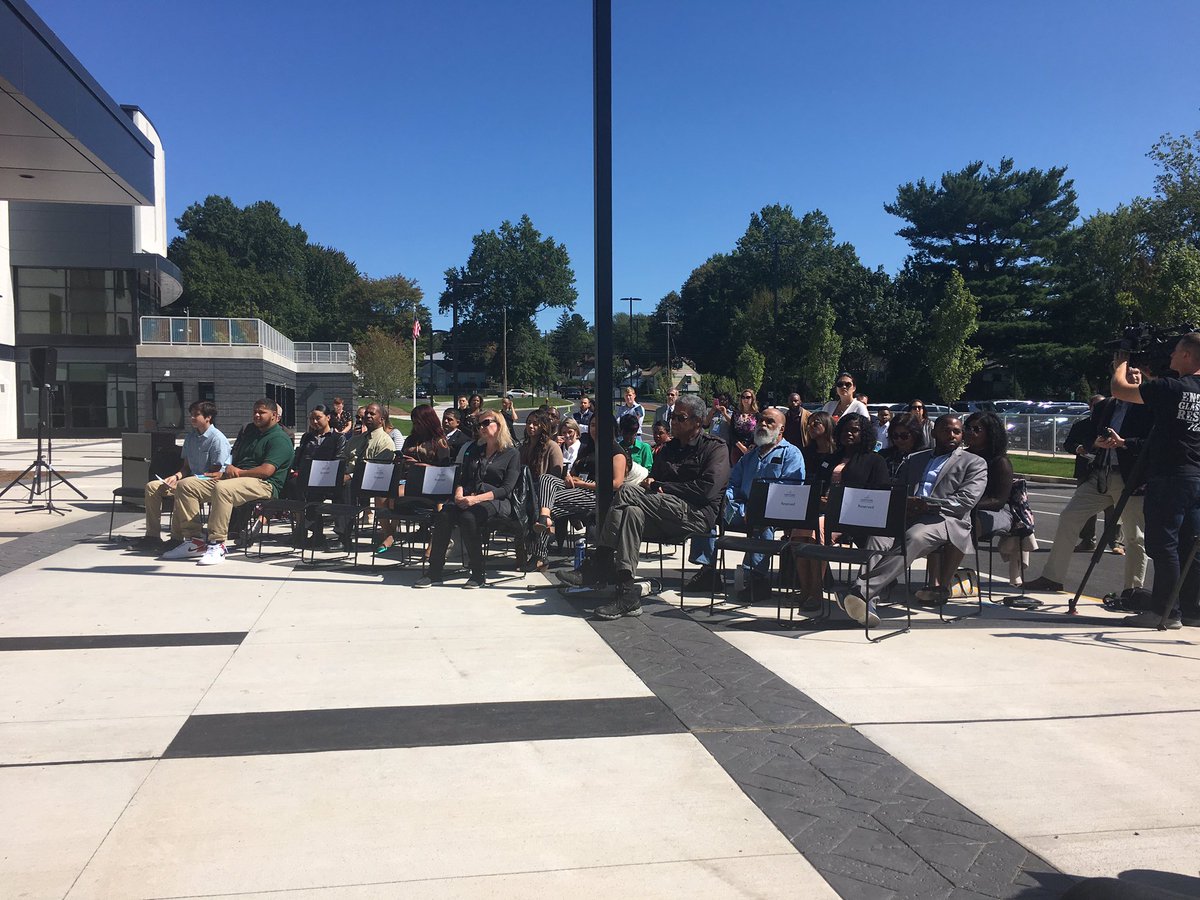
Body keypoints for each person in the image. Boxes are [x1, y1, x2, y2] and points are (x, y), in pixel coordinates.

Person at [592, 393, 731, 620]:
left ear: (698, 422)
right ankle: (627, 593)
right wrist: (657, 485)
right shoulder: (667, 449)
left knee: (627, 490)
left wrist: (664, 486)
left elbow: (707, 490)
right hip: (661, 513)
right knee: (632, 512)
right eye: (673, 417)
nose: (673, 421)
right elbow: (652, 483)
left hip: (695, 515)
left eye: (680, 418)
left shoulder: (715, 448)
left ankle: (600, 561)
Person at [842, 415, 988, 627]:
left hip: (945, 519)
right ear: (934, 433)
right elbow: (898, 489)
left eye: (957, 432)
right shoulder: (915, 459)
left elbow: (965, 501)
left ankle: (861, 590)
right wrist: (907, 503)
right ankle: (867, 603)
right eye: (946, 430)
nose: (952, 435)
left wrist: (927, 505)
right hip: (908, 514)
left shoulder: (974, 462)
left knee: (914, 536)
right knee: (878, 537)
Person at [1109, 337, 1200, 628]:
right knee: (1190, 547)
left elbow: (1119, 390)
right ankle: (1191, 610)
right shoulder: (1173, 388)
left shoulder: (1171, 388)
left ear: (1186, 355)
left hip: (1170, 475)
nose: (1170, 355)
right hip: (1196, 476)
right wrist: (1151, 378)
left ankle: (1164, 611)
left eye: (1175, 351)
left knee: (1163, 545)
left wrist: (1121, 361)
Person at [1025, 389, 1150, 597]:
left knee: (1134, 536)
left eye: (1136, 375)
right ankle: (1052, 578)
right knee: (1069, 517)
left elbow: (1153, 441)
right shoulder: (1105, 406)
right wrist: (1094, 443)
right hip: (1100, 475)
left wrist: (1124, 443)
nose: (1133, 378)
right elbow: (1087, 432)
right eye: (1127, 375)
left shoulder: (1148, 406)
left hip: (1129, 479)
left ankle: (1133, 591)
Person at [689, 406, 804, 602]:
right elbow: (732, 484)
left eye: (770, 422)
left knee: (760, 522)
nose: (763, 424)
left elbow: (790, 489)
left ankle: (757, 580)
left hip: (774, 510)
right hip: (741, 509)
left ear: (781, 429)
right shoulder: (750, 456)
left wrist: (757, 508)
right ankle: (708, 571)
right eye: (761, 421)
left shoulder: (791, 454)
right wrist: (737, 507)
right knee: (707, 513)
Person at [161, 398, 295, 566]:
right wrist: (226, 470)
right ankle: (194, 541)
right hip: (235, 478)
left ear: (274, 415)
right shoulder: (250, 433)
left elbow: (266, 471)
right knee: (186, 485)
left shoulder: (280, 439)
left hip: (264, 484)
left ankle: (217, 544)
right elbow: (234, 457)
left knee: (222, 488)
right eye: (255, 411)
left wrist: (238, 472)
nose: (256, 415)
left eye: (262, 412)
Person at [791, 413, 890, 610]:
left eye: (854, 430)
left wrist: (839, 502)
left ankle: (816, 592)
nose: (849, 434)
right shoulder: (831, 458)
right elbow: (818, 484)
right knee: (799, 531)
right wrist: (819, 498)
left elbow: (878, 495)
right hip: (824, 512)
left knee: (816, 530)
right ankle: (805, 588)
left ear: (864, 433)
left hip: (855, 516)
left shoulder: (875, 460)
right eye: (845, 430)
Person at [416, 409, 521, 589]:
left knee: (468, 517)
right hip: (469, 496)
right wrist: (459, 494)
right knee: (445, 514)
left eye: (486, 423)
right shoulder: (475, 450)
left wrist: (476, 499)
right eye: (479, 424)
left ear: (499, 425)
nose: (481, 427)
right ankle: (434, 571)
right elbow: (463, 478)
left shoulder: (511, 453)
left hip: (497, 501)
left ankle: (478, 573)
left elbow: (506, 489)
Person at [920, 411, 1015, 600]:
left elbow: (999, 500)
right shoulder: (960, 456)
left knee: (965, 524)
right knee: (935, 521)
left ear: (990, 433)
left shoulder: (1000, 462)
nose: (970, 432)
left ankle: (944, 584)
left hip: (994, 513)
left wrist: (967, 504)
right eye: (967, 428)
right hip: (958, 507)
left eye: (976, 429)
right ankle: (933, 582)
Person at [532, 416, 631, 568]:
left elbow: (617, 484)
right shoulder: (586, 449)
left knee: (546, 502)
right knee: (546, 479)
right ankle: (545, 517)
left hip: (595, 493)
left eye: (599, 425)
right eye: (592, 425)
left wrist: (585, 484)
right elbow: (574, 472)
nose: (595, 429)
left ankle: (539, 555)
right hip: (576, 487)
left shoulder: (616, 452)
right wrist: (569, 477)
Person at [138, 400, 232, 549]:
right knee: (152, 487)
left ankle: (176, 538)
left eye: (196, 415)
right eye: (191, 415)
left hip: (210, 483)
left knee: (183, 488)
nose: (192, 418)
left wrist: (187, 481)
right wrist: (175, 477)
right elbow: (186, 467)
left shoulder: (217, 439)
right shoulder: (190, 437)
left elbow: (216, 472)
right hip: (190, 480)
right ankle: (152, 536)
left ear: (208, 417)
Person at [377, 405, 451, 553]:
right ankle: (389, 534)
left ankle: (437, 541)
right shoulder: (411, 440)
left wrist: (420, 465)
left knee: (398, 494)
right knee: (380, 494)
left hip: (430, 482)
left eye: (418, 422)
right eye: (414, 422)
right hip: (408, 478)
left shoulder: (439, 442)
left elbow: (444, 469)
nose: (416, 426)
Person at [287, 404, 348, 546]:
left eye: (318, 418)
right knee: (293, 484)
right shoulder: (307, 437)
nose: (314, 422)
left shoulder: (338, 438)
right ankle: (311, 529)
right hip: (308, 477)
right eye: (311, 419)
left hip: (327, 476)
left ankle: (342, 534)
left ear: (328, 417)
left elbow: (339, 459)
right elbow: (299, 457)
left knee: (341, 492)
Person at [1063, 394, 1117, 553]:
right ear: (1090, 407)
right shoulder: (1082, 425)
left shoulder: (1112, 426)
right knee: (1084, 509)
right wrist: (1079, 448)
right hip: (1086, 470)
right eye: (1097, 406)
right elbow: (1068, 444)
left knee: (1112, 509)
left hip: (1107, 471)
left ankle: (1115, 542)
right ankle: (1087, 541)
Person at [520, 409, 565, 480]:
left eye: (535, 423)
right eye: (529, 422)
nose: (531, 426)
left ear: (543, 426)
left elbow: (556, 478)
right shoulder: (523, 448)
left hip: (544, 486)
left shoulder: (552, 447)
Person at [880, 412, 925, 479]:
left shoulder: (924, 457)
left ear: (915, 435)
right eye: (895, 436)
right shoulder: (884, 456)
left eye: (904, 436)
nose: (899, 440)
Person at [728, 388, 759, 464]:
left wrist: (754, 444)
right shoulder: (736, 414)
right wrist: (741, 447)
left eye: (748, 397)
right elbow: (731, 432)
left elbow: (759, 431)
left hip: (752, 448)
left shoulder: (757, 415)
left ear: (752, 399)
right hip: (737, 448)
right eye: (743, 397)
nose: (745, 399)